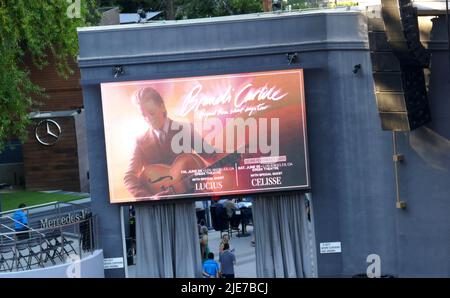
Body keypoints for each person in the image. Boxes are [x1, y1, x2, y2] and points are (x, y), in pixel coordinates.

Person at [124, 87, 216, 199]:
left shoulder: (185, 129)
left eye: (151, 113)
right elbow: (129, 176)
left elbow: (212, 156)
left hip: (188, 199)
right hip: (159, 206)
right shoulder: (140, 141)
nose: (148, 119)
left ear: (162, 107)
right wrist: (149, 198)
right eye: (144, 115)